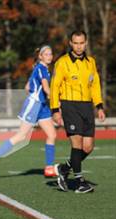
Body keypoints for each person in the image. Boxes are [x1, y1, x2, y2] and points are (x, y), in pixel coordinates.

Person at [0, 45, 57, 177]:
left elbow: (27, 87)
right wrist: (55, 98)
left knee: (52, 134)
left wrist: (39, 95)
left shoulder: (41, 69)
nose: (49, 56)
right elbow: (46, 88)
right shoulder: (41, 69)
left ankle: (49, 167)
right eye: (46, 54)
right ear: (40, 56)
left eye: (50, 54)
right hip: (34, 105)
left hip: (42, 106)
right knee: (21, 135)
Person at [51, 30, 106, 193]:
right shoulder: (62, 62)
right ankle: (80, 182)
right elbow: (54, 87)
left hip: (86, 107)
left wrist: (99, 106)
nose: (79, 46)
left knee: (88, 147)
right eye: (75, 43)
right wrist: (55, 109)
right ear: (70, 43)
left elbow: (94, 85)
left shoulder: (91, 62)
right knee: (77, 144)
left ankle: (64, 169)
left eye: (81, 43)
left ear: (86, 43)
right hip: (70, 106)